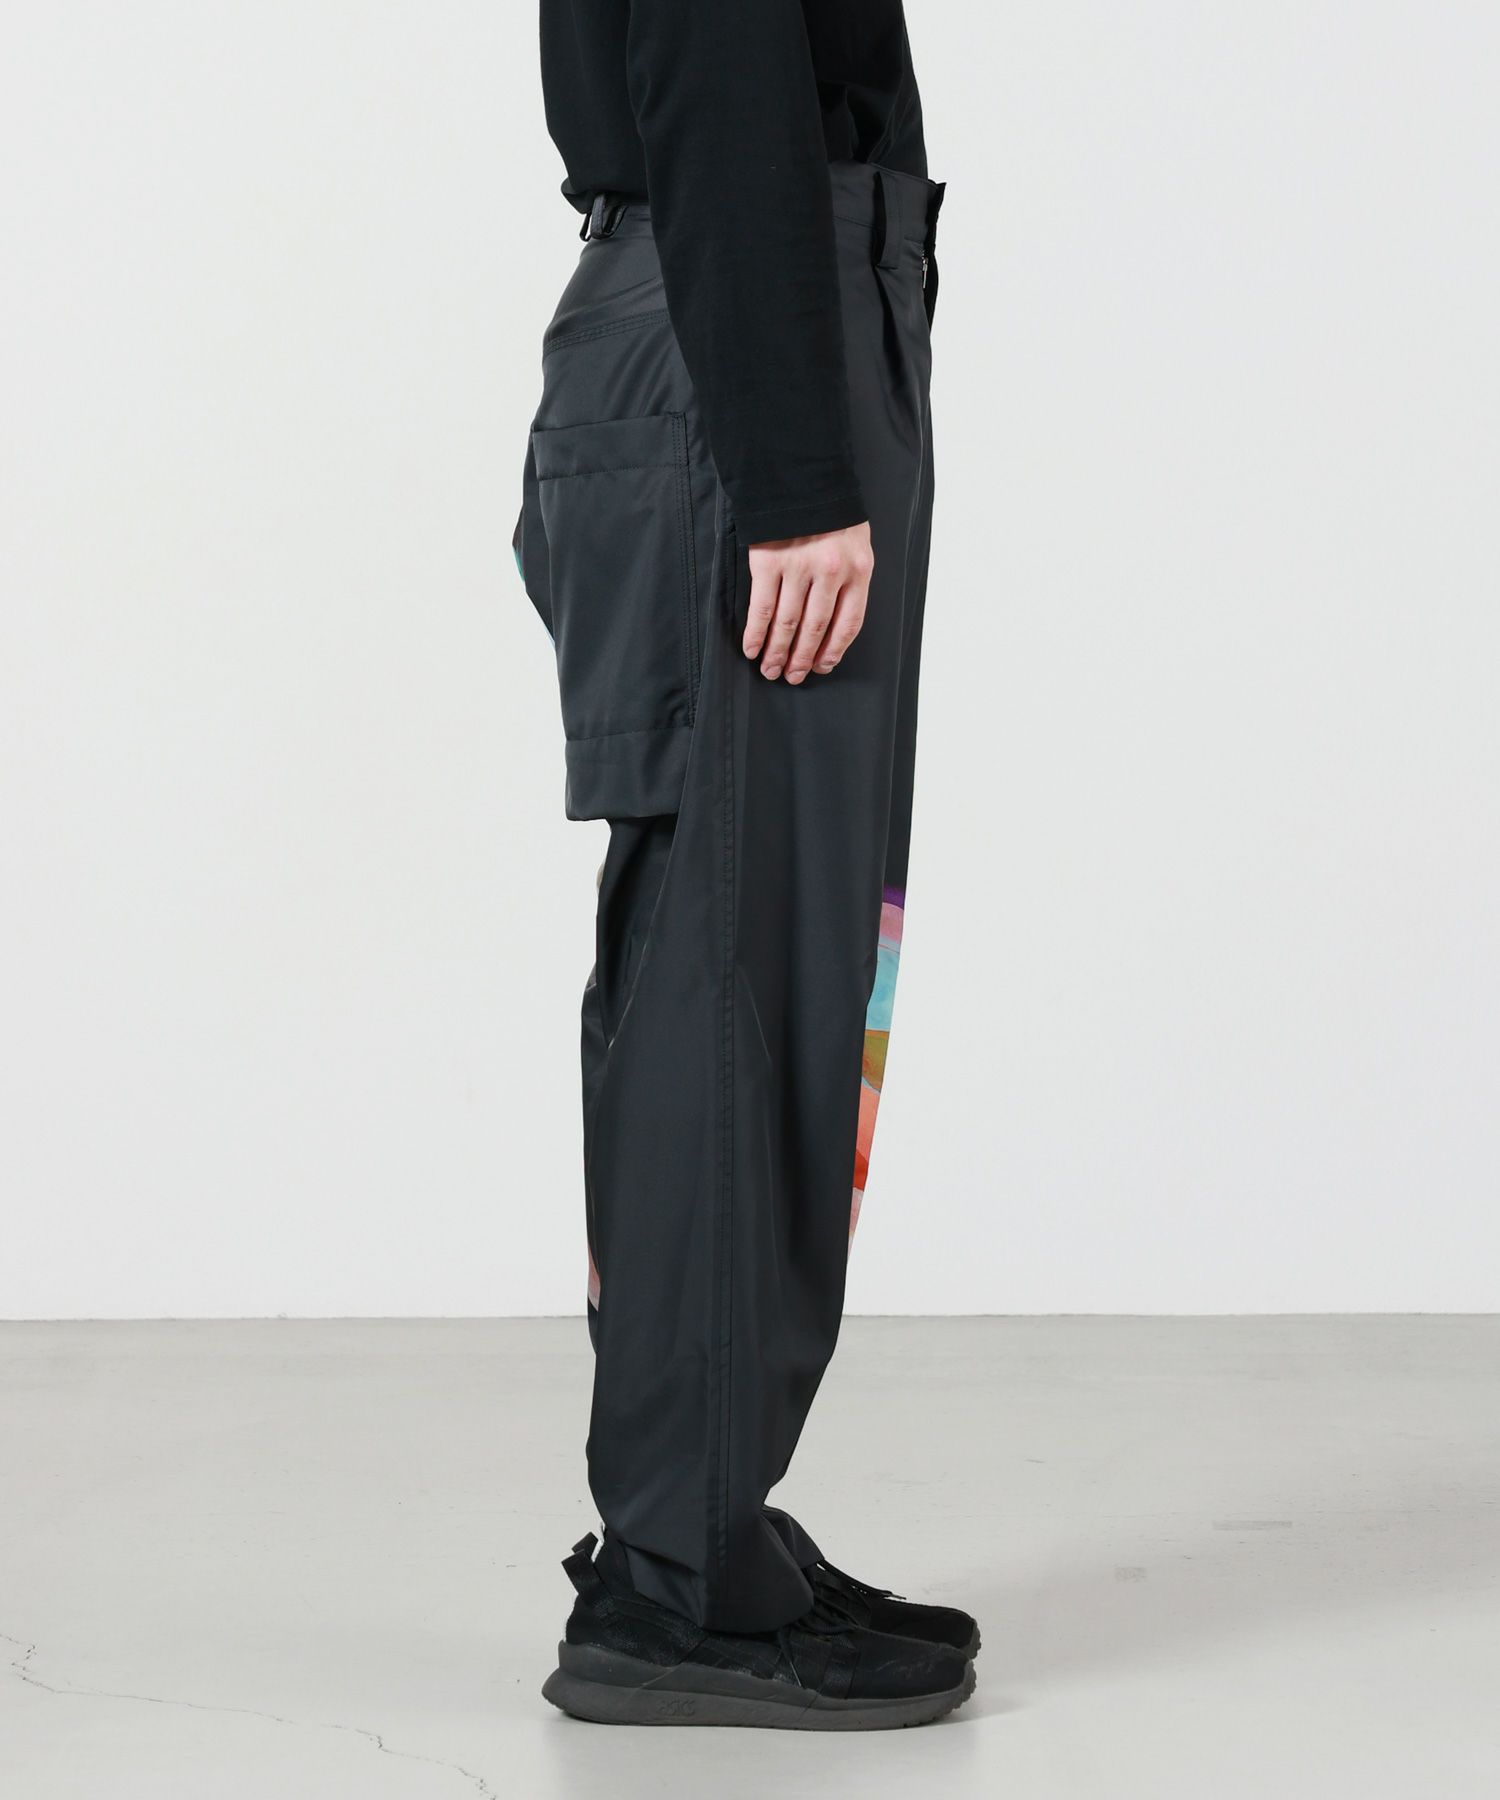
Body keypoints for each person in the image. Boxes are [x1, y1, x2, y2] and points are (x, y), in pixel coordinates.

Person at [515, 0, 974, 1728]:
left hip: (752, 313)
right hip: (741, 349)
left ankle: (702, 1521)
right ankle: (676, 1582)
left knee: (756, 953)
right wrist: (790, 464)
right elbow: (716, 60)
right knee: (731, 969)